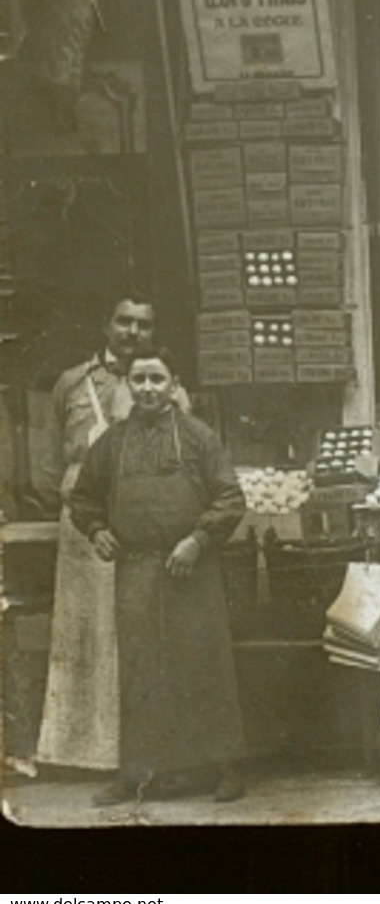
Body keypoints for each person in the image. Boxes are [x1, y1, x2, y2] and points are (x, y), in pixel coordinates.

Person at [67, 347, 247, 805]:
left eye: (157, 379)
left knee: (204, 665)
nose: (148, 388)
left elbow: (229, 498)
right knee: (140, 669)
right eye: (140, 379)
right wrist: (97, 530)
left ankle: (227, 769)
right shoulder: (110, 443)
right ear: (128, 385)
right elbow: (83, 498)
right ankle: (136, 775)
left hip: (192, 569)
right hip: (137, 570)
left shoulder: (199, 437)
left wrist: (198, 541)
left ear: (174, 384)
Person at [35, 293, 189, 775]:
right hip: (86, 524)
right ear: (106, 325)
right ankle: (80, 752)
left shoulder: (164, 386)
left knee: (140, 629)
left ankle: (141, 752)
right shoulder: (73, 383)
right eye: (124, 322)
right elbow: (48, 462)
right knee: (86, 632)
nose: (132, 332)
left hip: (144, 522)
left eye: (144, 324)